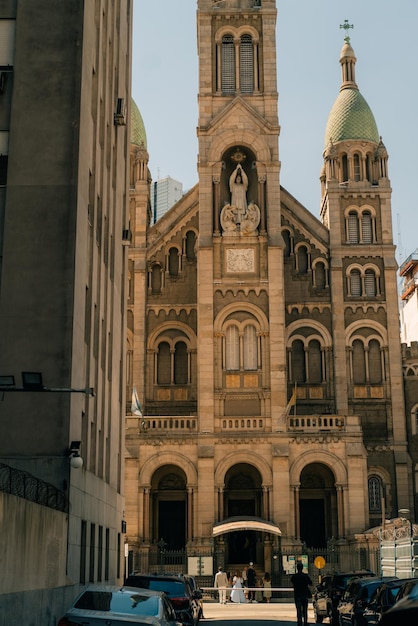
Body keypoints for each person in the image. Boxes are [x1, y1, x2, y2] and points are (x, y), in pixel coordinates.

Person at [291, 561, 313, 626]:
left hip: (297, 595)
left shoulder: (294, 576)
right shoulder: (305, 576)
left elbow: (292, 582)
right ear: (302, 568)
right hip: (304, 594)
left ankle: (299, 622)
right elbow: (311, 583)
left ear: (297, 568)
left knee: (298, 610)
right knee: (305, 610)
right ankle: (305, 622)